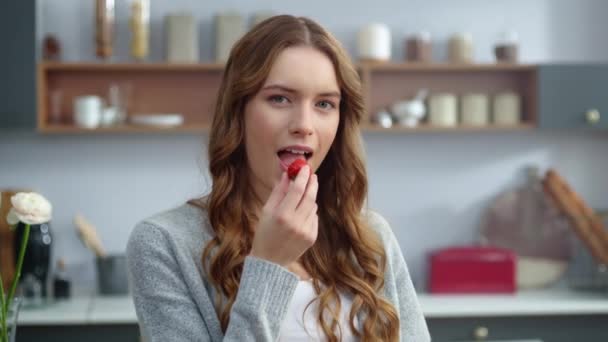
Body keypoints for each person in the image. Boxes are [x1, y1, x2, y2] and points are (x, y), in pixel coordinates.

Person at [127, 14, 430, 342]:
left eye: (325, 104)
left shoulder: (370, 237)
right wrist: (268, 266)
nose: (304, 124)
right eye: (280, 99)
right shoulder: (163, 244)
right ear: (237, 113)